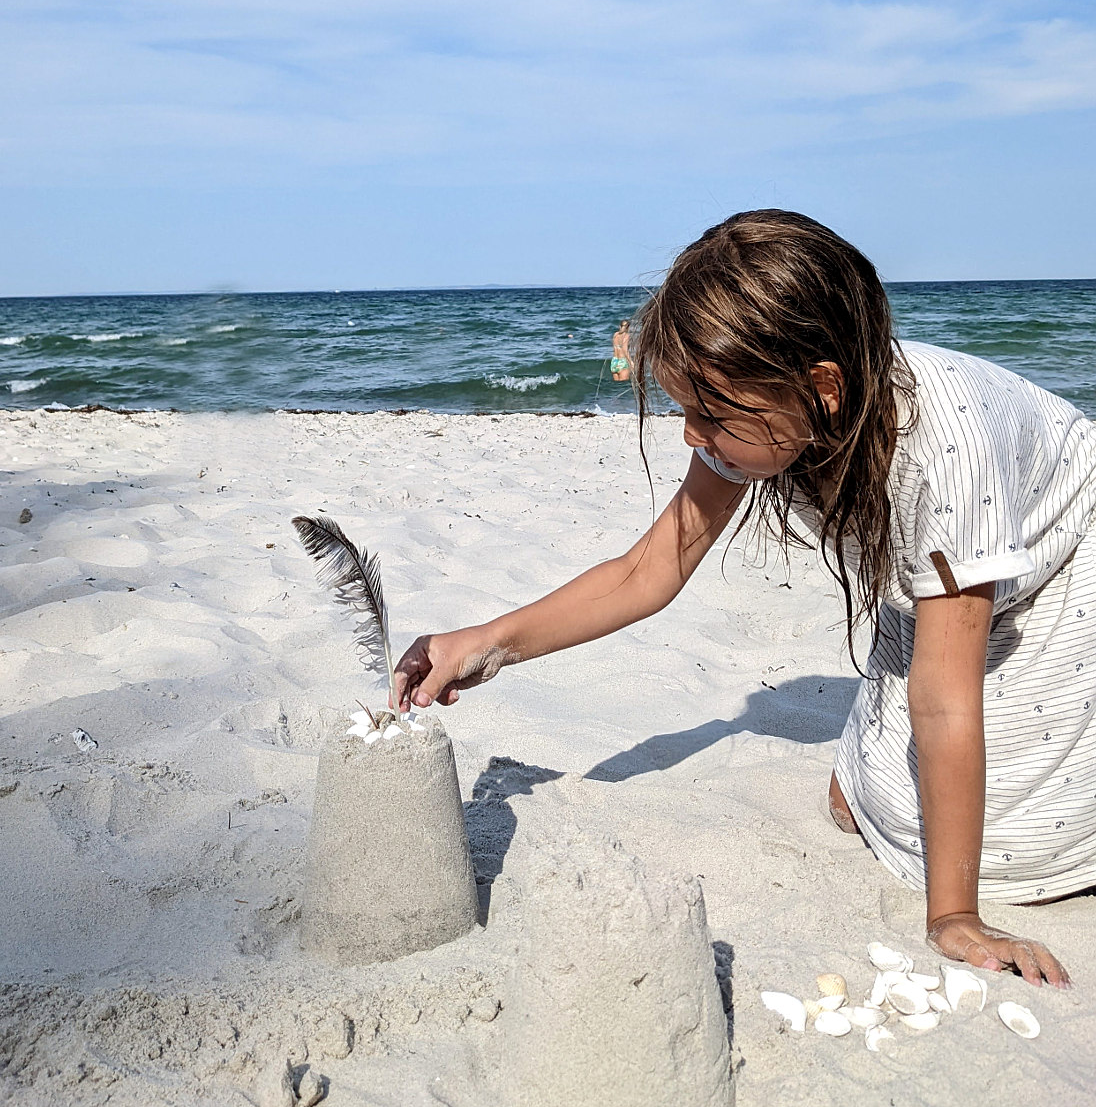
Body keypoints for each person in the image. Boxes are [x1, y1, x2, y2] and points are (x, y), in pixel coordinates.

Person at [395, 209, 1095, 987]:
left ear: (822, 386)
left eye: (712, 415)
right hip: (932, 577)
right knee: (862, 805)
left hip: (1055, 575)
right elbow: (647, 569)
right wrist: (483, 643)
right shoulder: (772, 411)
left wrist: (953, 918)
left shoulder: (947, 450)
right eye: (687, 411)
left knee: (1012, 851)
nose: (694, 436)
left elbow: (943, 700)